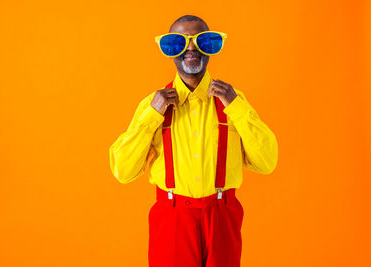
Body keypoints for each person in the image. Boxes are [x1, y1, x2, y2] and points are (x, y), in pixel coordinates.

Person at [109, 14, 278, 267]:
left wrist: (237, 108)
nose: (191, 49)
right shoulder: (152, 106)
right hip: (172, 217)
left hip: (221, 216)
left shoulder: (233, 101)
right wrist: (152, 115)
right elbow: (122, 170)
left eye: (201, 41)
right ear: (170, 50)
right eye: (179, 43)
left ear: (211, 47)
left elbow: (267, 162)